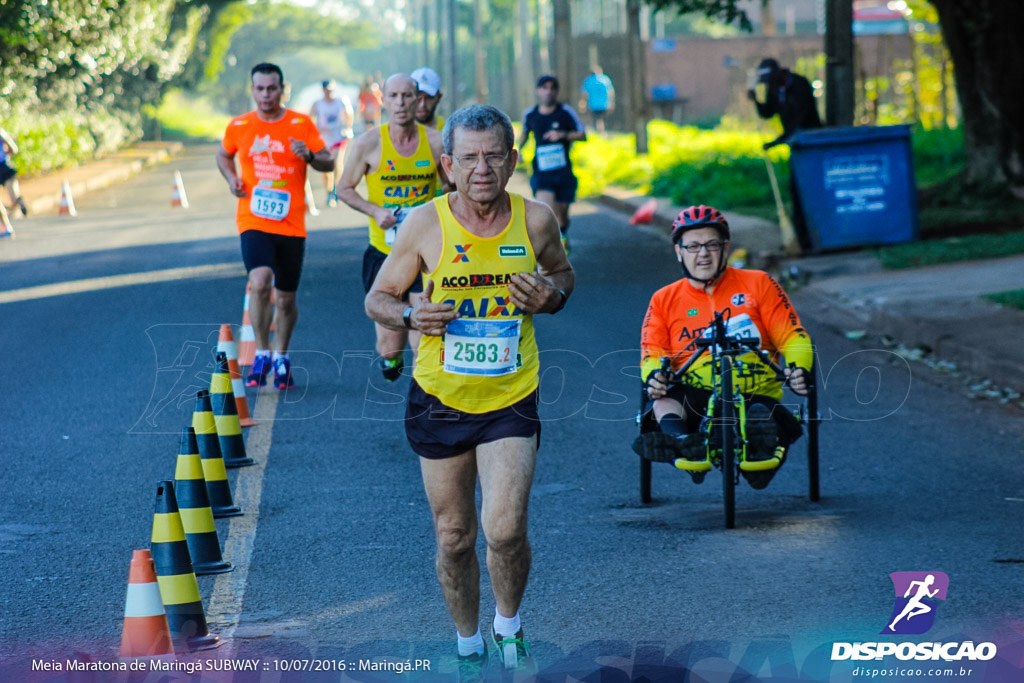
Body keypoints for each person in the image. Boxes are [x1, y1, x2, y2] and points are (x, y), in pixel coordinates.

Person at [365, 104, 574, 677]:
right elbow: (378, 297)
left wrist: (549, 298)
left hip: (511, 394)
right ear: (448, 165)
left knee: (505, 529)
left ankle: (508, 626)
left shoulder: (536, 221)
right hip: (439, 397)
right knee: (454, 535)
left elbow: (563, 276)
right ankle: (467, 642)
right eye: (468, 158)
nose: (481, 168)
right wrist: (411, 316)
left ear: (512, 160)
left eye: (493, 156)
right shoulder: (424, 224)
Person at [633, 205, 812, 489]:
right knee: (662, 399)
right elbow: (652, 351)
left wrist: (798, 368)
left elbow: (792, 335)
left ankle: (760, 448)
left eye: (711, 244)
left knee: (761, 436)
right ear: (678, 252)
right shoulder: (663, 299)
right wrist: (655, 376)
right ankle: (682, 443)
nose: (702, 253)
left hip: (754, 394)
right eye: (692, 246)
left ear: (725, 248)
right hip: (695, 397)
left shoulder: (760, 283)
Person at [216, 62, 334, 390]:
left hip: (291, 223)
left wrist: (309, 155)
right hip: (253, 219)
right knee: (259, 280)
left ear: (282, 89)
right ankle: (263, 353)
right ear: (252, 90)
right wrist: (231, 178)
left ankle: (282, 355)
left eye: (272, 88)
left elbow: (329, 161)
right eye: (260, 89)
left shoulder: (300, 123)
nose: (266, 94)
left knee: (284, 299)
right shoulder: (240, 125)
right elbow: (223, 155)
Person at [336, 73, 449, 382]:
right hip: (384, 253)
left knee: (422, 337)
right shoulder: (369, 143)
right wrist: (375, 211)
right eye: (394, 96)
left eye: (407, 96)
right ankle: (391, 361)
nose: (401, 103)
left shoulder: (436, 142)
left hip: (424, 255)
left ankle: (424, 398)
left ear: (418, 100)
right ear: (384, 101)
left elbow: (453, 189)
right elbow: (344, 188)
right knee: (390, 347)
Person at [748, 57, 822, 249]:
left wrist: (776, 142)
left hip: (811, 145)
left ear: (778, 73)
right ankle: (803, 241)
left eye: (769, 80)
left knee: (811, 191)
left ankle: (816, 237)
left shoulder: (799, 84)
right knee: (796, 194)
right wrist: (756, 99)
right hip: (795, 147)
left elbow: (800, 120)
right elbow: (768, 112)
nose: (768, 84)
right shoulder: (775, 90)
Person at [518, 75, 586, 254]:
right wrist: (517, 151)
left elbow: (582, 134)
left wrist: (562, 135)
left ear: (556, 91)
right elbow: (525, 134)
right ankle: (552, 249)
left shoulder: (565, 112)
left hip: (563, 172)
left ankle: (563, 233)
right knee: (547, 211)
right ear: (538, 91)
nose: (548, 91)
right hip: (542, 172)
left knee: (562, 215)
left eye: (552, 88)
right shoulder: (530, 114)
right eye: (544, 88)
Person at [309, 79, 354, 207]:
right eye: (328, 90)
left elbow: (349, 113)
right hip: (324, 139)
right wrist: (315, 130)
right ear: (323, 90)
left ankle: (336, 189)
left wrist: (347, 127)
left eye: (332, 90)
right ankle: (329, 190)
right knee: (327, 166)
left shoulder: (341, 101)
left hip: (338, 136)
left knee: (337, 162)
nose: (330, 93)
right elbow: (310, 118)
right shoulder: (318, 104)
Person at [0, 127, 28, 217]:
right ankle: (18, 201)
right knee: (12, 192)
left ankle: (17, 202)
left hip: (3, 166)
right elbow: (13, 148)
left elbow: (13, 148)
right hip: (4, 165)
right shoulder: (1, 132)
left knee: (12, 193)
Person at [579, 66, 615, 134]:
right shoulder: (605, 79)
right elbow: (611, 92)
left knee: (598, 119)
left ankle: (600, 132)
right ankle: (601, 132)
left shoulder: (588, 80)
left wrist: (582, 104)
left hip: (593, 104)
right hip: (605, 104)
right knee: (600, 119)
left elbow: (584, 94)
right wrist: (612, 103)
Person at [411, 66, 445, 131]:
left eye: (429, 98)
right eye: (418, 98)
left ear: (439, 97)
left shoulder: (447, 131)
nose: (422, 105)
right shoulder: (393, 133)